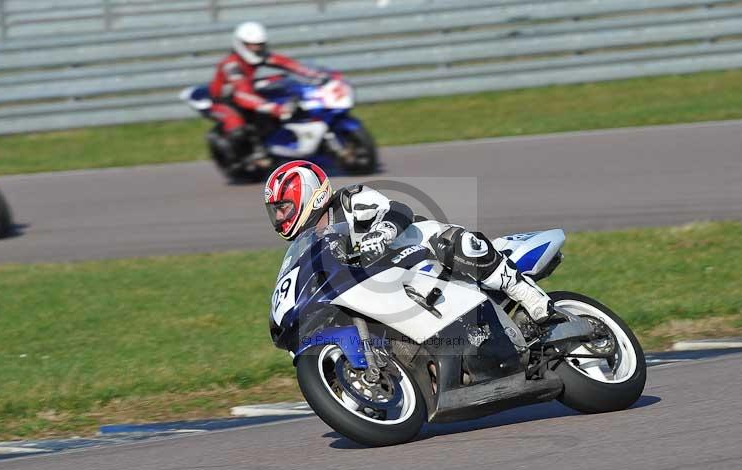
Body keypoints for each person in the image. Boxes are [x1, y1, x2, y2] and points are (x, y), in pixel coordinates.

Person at [264, 160, 554, 323]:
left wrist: (382, 233)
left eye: (283, 207)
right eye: (275, 211)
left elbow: (397, 209)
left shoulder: (349, 200)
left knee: (459, 243)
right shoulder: (310, 246)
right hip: (388, 288)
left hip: (419, 249)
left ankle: (531, 297)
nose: (279, 217)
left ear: (309, 194)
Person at [209, 21, 324, 166]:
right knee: (237, 129)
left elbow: (286, 63)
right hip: (225, 101)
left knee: (283, 87)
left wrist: (313, 74)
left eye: (259, 44)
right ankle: (237, 159)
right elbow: (242, 94)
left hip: (245, 91)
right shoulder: (232, 65)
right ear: (240, 44)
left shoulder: (259, 55)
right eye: (251, 45)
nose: (256, 48)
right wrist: (274, 108)